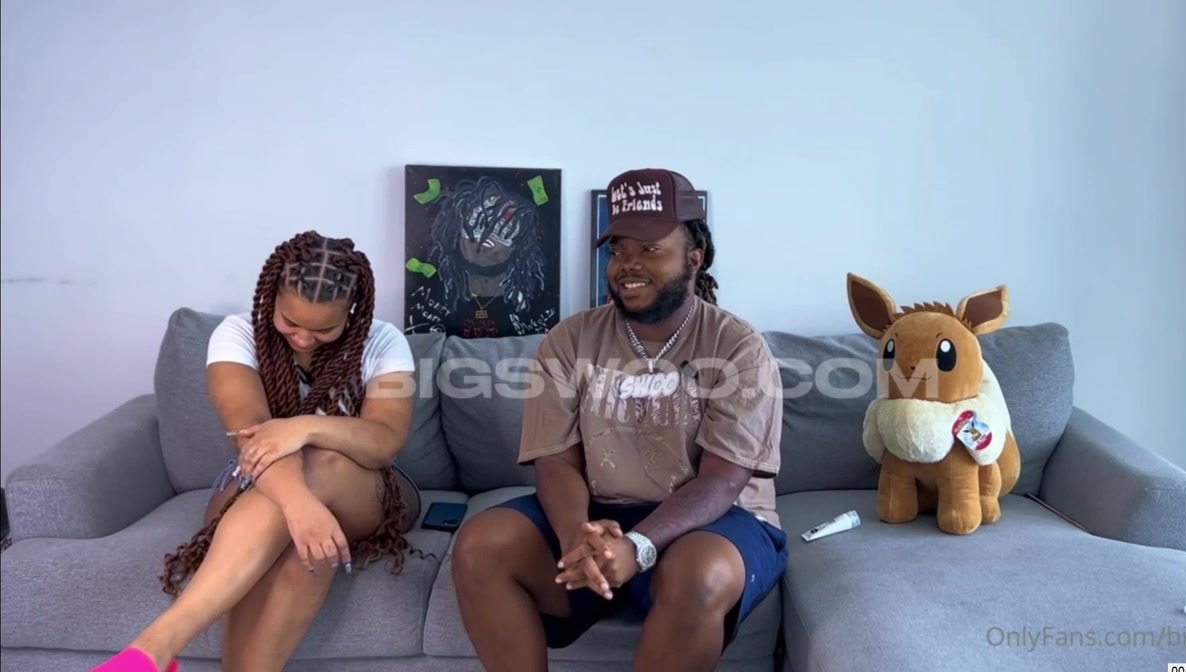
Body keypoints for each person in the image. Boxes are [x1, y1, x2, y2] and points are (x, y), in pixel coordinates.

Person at [452, 169, 789, 671]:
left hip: (714, 522)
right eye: (618, 250)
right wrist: (576, 538)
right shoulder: (570, 340)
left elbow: (722, 481)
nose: (628, 264)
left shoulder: (736, 345)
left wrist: (639, 546)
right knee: (482, 544)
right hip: (598, 513)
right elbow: (555, 461)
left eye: (650, 249)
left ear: (694, 258)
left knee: (699, 574)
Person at [93, 231, 427, 672]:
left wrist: (302, 427)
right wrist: (299, 505)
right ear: (271, 296)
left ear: (352, 311)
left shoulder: (383, 342)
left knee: (323, 460)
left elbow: (384, 441)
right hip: (261, 483)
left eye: (324, 329)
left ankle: (156, 648)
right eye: (291, 322)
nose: (303, 339)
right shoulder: (237, 335)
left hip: (364, 492)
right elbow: (250, 436)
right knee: (308, 551)